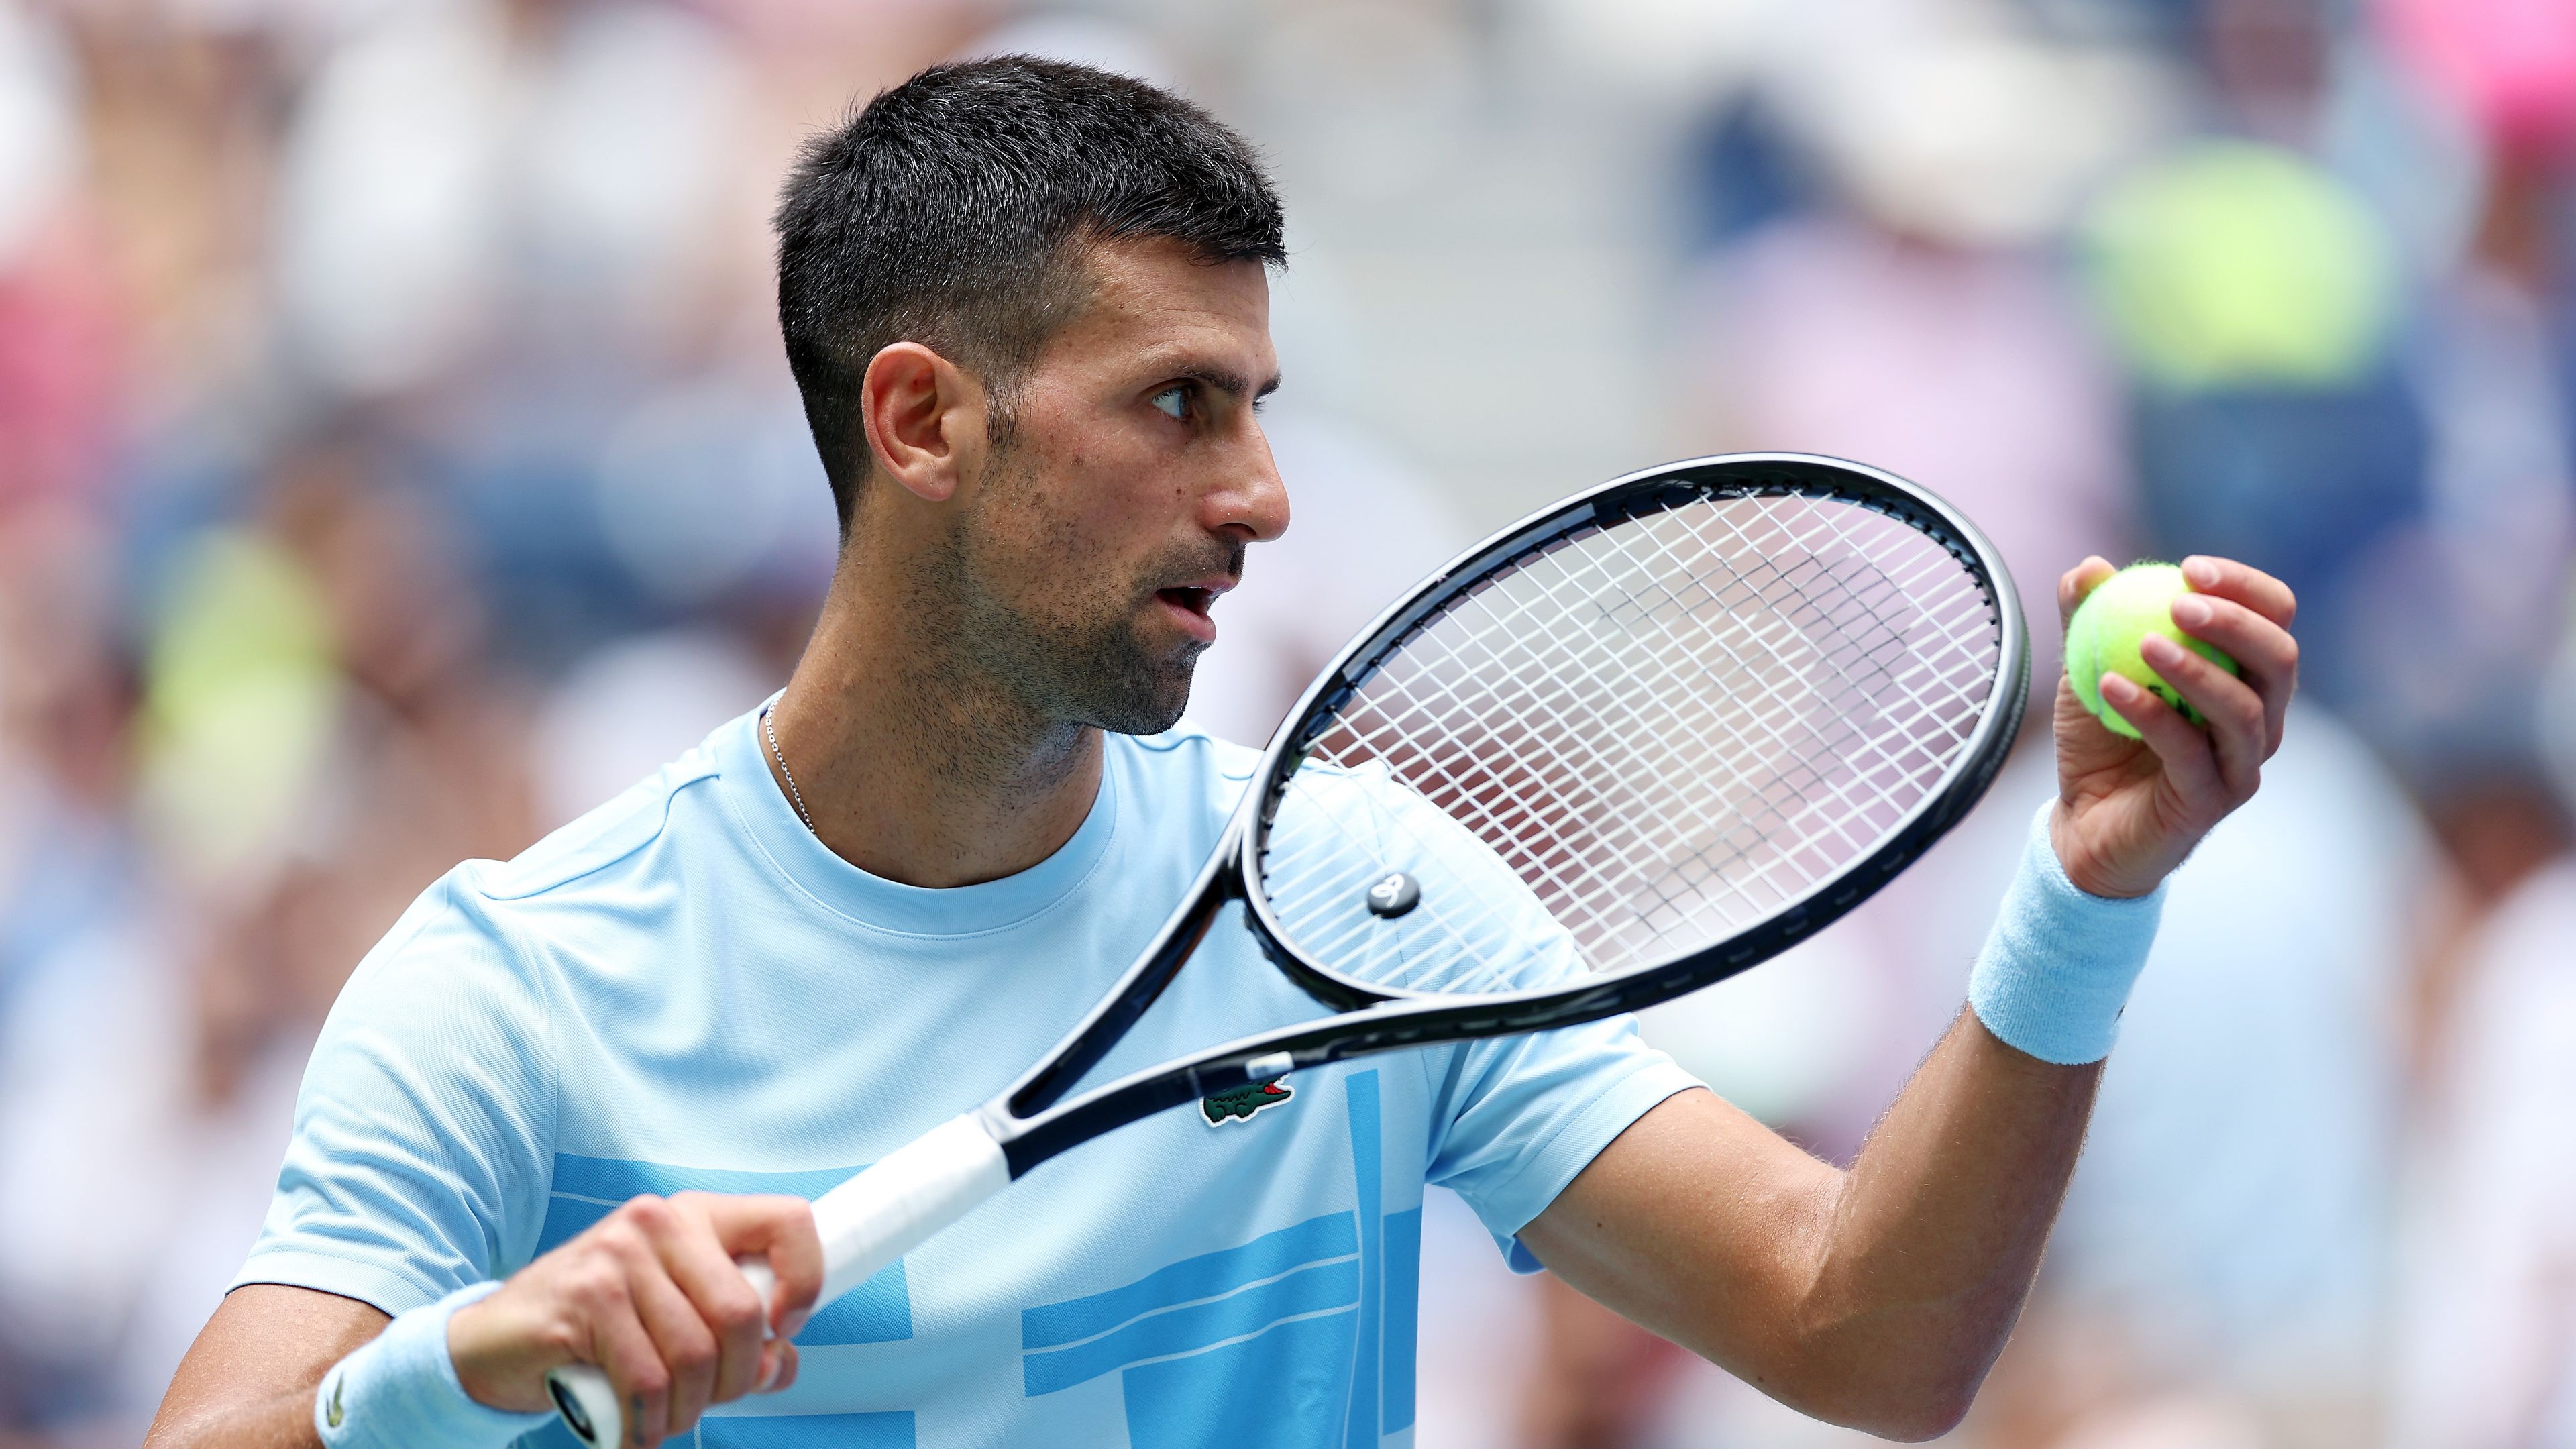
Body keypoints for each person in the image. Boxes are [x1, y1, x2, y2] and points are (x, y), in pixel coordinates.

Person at [142, 58, 2301, 1449]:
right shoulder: (519, 984)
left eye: (1263, 403)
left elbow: (1868, 1337)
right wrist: (467, 1365)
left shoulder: (1359, 904)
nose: (1266, 495)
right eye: (1183, 404)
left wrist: (2083, 896)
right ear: (921, 424)